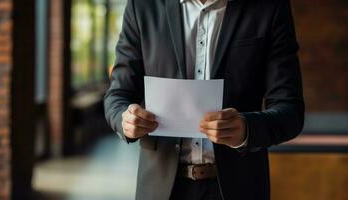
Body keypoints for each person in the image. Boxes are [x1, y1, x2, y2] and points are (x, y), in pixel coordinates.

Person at [104, 0, 304, 199]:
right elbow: (118, 95)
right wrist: (126, 119)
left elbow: (290, 109)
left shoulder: (270, 7)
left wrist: (246, 129)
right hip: (160, 187)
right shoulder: (142, 6)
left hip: (240, 186)